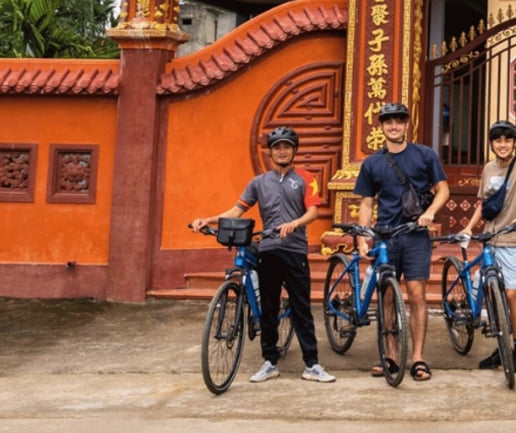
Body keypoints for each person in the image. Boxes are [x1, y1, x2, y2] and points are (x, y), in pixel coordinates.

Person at [189, 126, 335, 384]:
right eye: (277, 147)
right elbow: (237, 211)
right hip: (268, 250)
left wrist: (295, 223)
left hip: (294, 250)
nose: (282, 151)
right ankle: (270, 362)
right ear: (271, 152)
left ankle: (312, 364)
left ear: (294, 151)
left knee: (301, 308)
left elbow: (313, 211)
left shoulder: (305, 178)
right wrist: (207, 219)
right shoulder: (258, 182)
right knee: (268, 307)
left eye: (286, 147)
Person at [352, 101, 450, 382]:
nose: (394, 126)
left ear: (407, 124)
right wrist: (363, 233)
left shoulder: (425, 155)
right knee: (387, 296)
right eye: (388, 122)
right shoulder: (372, 163)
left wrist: (430, 213)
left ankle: (418, 357)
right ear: (381, 126)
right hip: (384, 236)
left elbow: (443, 190)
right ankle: (391, 354)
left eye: (399, 121)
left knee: (417, 294)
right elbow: (367, 203)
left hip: (415, 235)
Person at [460, 120, 516, 373]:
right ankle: (500, 345)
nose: (503, 145)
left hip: (513, 240)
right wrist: (468, 228)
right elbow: (483, 204)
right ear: (492, 144)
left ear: (515, 142)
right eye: (498, 140)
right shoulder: (488, 169)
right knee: (491, 294)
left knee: (511, 294)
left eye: (507, 140)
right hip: (489, 239)